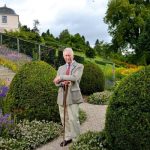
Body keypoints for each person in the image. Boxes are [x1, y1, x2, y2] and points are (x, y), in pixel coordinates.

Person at [53, 47, 84, 147]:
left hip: (73, 96)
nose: (67, 57)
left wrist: (61, 77)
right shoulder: (60, 68)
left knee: (73, 119)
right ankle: (68, 137)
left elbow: (75, 78)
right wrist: (60, 82)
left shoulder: (79, 66)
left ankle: (77, 140)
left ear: (73, 55)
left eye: (69, 55)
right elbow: (56, 83)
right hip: (62, 96)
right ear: (63, 56)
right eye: (66, 55)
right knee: (64, 119)